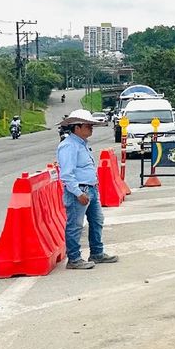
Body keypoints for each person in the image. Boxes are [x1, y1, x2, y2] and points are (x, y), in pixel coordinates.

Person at [55, 109, 118, 270]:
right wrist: (78, 193)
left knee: (97, 221)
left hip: (90, 189)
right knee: (75, 225)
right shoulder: (69, 146)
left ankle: (97, 252)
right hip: (79, 191)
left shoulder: (81, 145)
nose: (91, 128)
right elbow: (67, 175)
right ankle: (74, 259)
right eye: (88, 125)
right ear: (77, 127)